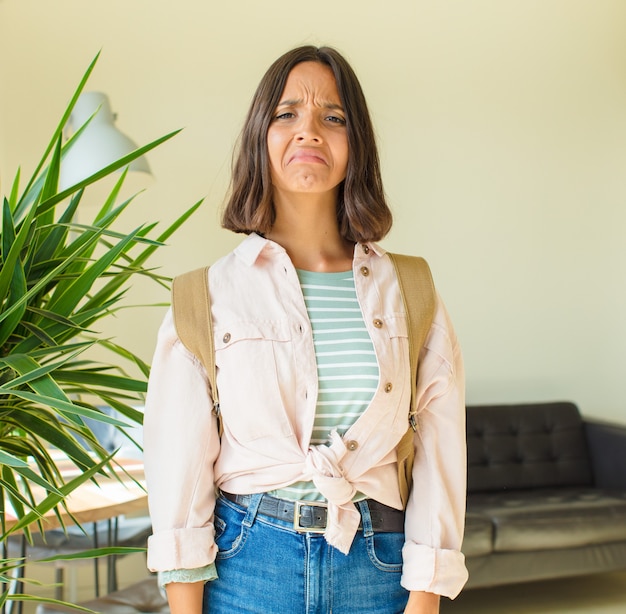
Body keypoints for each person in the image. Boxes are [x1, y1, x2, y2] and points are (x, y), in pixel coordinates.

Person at [143, 45, 468, 614]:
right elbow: (181, 470)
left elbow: (441, 453)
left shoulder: (411, 290)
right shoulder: (205, 297)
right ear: (259, 138)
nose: (309, 130)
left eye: (333, 117)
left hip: (380, 566)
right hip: (245, 567)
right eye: (286, 113)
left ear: (355, 144)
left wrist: (426, 598)